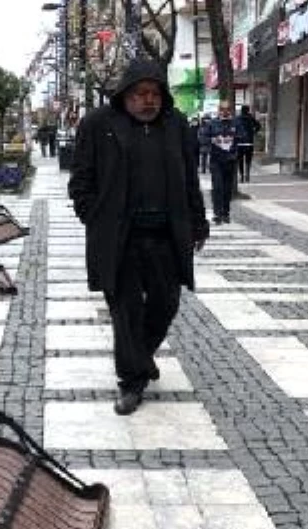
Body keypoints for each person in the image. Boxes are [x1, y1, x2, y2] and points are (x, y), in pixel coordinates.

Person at [68, 58, 209, 417]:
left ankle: (141, 359)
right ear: (125, 95)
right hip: (120, 239)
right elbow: (80, 181)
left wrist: (198, 220)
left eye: (155, 93)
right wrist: (96, 219)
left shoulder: (176, 125)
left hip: (164, 235)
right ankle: (131, 381)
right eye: (140, 94)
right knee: (126, 312)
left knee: (166, 304)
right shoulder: (98, 124)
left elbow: (189, 178)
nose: (149, 100)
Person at [202, 101, 242, 225]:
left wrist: (234, 137)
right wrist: (213, 139)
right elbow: (202, 137)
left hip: (230, 159)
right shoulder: (212, 123)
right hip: (216, 160)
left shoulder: (236, 123)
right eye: (222, 109)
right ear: (219, 110)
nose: (225, 111)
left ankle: (226, 213)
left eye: (227, 109)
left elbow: (243, 135)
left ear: (230, 110)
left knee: (227, 188)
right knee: (217, 187)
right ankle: (217, 214)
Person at [235, 104, 261, 182]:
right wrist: (253, 132)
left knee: (240, 160)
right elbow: (258, 126)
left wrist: (236, 136)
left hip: (239, 143)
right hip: (249, 142)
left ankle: (241, 176)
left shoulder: (237, 119)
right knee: (248, 160)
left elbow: (234, 128)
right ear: (248, 110)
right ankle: (247, 176)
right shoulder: (251, 118)